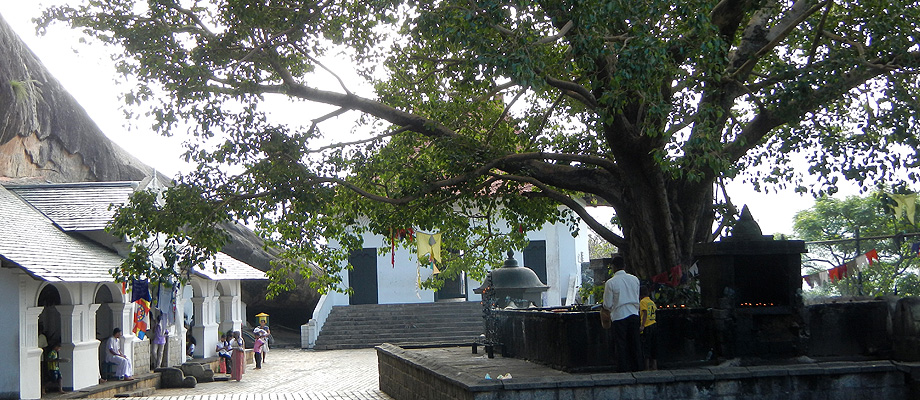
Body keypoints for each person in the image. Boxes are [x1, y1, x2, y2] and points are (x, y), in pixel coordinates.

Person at [603, 256, 642, 372]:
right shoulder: (635, 279)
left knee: (621, 344)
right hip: (634, 314)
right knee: (635, 342)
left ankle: (623, 368)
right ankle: (638, 367)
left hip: (619, 316)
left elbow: (607, 304)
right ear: (624, 266)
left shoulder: (611, 283)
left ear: (613, 267)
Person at [639, 285, 658, 370]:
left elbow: (645, 313)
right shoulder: (651, 301)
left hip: (647, 326)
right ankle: (654, 366)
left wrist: (642, 325)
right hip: (653, 323)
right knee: (653, 347)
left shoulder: (643, 302)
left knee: (646, 348)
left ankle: (646, 367)